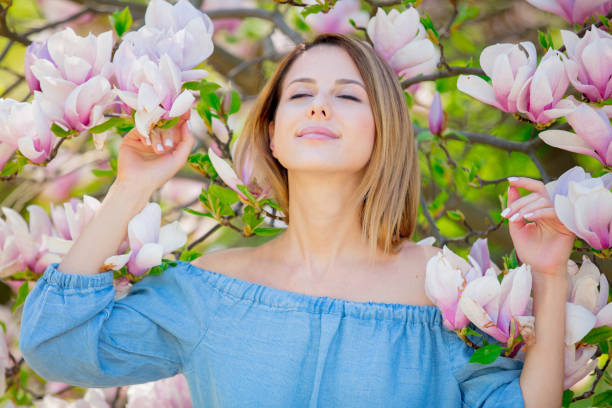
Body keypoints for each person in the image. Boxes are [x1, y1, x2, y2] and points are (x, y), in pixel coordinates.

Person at [19, 33, 570, 407]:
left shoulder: (443, 288)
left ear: (384, 132)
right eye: (301, 93)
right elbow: (55, 344)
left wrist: (548, 278)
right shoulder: (213, 288)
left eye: (347, 96)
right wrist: (130, 189)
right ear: (273, 135)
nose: (319, 106)